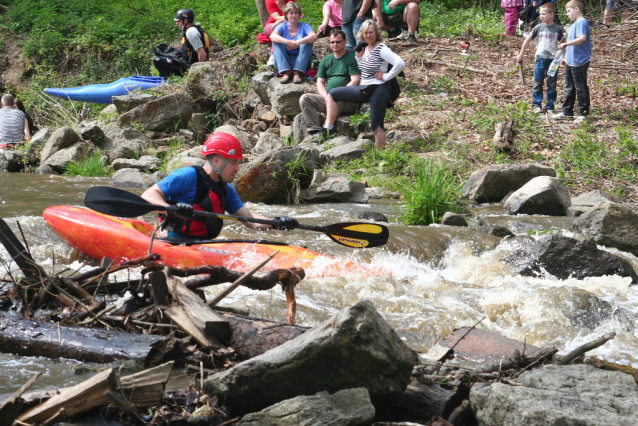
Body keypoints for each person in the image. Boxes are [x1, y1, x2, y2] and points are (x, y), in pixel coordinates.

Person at [141, 132, 298, 240]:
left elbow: (249, 218)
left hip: (202, 245)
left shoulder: (226, 190)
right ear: (216, 161)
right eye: (233, 162)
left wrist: (276, 223)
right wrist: (172, 209)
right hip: (172, 242)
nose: (237, 169)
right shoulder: (188, 175)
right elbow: (148, 196)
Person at [328, 20, 405, 150]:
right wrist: (358, 58)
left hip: (380, 89)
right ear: (362, 34)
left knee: (376, 123)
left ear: (376, 33)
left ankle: (379, 154)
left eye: (371, 32)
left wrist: (386, 76)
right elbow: (365, 69)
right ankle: (328, 128)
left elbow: (400, 63)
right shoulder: (365, 48)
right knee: (333, 93)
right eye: (366, 33)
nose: (368, 35)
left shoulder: (381, 48)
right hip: (366, 88)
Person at [299, 29, 361, 140]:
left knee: (334, 96)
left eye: (338, 42)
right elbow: (320, 82)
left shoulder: (351, 58)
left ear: (345, 42)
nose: (335, 44)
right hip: (329, 99)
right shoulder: (326, 60)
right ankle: (315, 130)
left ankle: (329, 128)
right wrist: (326, 97)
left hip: (346, 100)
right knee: (305, 98)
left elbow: (355, 80)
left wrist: (340, 93)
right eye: (332, 42)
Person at [516, 3, 564, 113]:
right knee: (538, 82)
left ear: (552, 14)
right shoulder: (538, 27)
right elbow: (527, 40)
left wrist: (561, 56)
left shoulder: (558, 29)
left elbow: (563, 44)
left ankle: (550, 106)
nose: (541, 16)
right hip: (540, 59)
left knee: (552, 83)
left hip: (553, 61)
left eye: (543, 14)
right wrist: (521, 54)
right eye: (540, 14)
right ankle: (536, 104)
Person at [551, 0, 591, 123]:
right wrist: (565, 58)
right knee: (569, 88)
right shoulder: (574, 25)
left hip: (580, 61)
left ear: (577, 9)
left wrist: (566, 43)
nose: (567, 14)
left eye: (569, 11)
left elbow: (582, 38)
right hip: (571, 61)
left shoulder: (582, 22)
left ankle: (583, 113)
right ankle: (567, 112)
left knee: (580, 88)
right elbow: (572, 46)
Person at [153, 8, 209, 79]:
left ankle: (166, 82)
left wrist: (200, 75)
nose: (177, 23)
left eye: (178, 21)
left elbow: (202, 54)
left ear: (185, 20)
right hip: (185, 63)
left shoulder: (191, 32)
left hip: (188, 67)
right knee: (163, 54)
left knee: (158, 59)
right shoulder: (193, 29)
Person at [269, 3, 317, 84]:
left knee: (308, 42)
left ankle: (297, 72)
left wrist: (298, 42)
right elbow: (272, 36)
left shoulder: (304, 26)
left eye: (296, 13)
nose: (294, 16)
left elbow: (314, 36)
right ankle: (285, 72)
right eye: (291, 13)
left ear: (299, 15)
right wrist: (288, 42)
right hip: (284, 60)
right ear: (286, 15)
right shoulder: (282, 26)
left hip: (301, 61)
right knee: (276, 41)